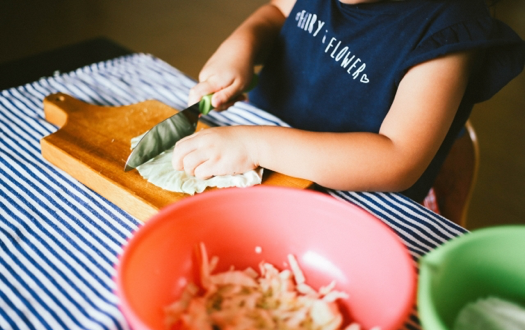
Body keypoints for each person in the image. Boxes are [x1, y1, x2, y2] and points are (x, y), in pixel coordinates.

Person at [172, 0, 525, 203]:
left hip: (352, 196)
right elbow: (278, 11)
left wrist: (253, 144)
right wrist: (239, 49)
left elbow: (398, 159)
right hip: (264, 162)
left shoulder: (447, 28)